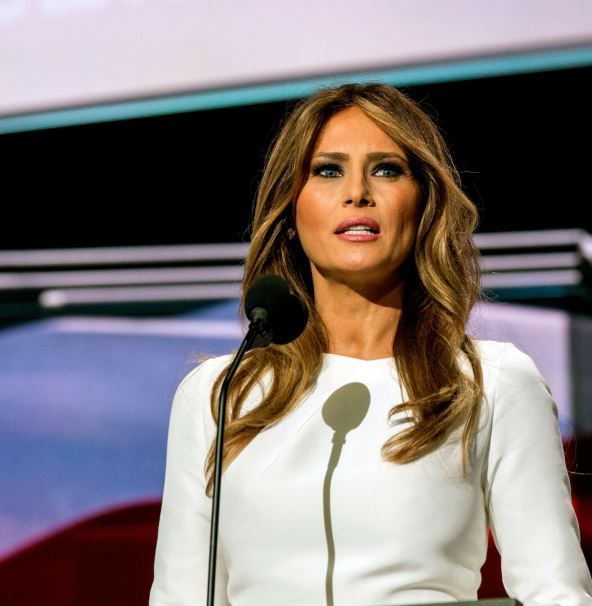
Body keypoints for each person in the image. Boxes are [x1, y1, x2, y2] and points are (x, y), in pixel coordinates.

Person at [148, 82, 592, 605]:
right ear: (290, 210)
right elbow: (180, 595)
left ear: (424, 206)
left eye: (386, 170)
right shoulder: (220, 393)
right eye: (327, 170)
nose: (357, 192)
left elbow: (555, 594)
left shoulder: (491, 382)